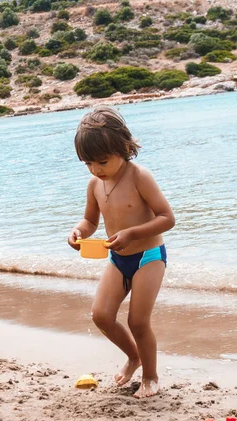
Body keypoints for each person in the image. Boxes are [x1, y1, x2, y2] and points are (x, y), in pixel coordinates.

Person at [68, 107, 175, 399]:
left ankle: (150, 377)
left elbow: (167, 218)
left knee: (138, 322)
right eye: (88, 163)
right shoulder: (95, 184)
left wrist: (131, 233)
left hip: (148, 256)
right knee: (101, 315)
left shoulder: (140, 176)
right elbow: (90, 221)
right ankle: (133, 356)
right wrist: (78, 231)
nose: (95, 169)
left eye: (102, 161)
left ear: (124, 148)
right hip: (117, 259)